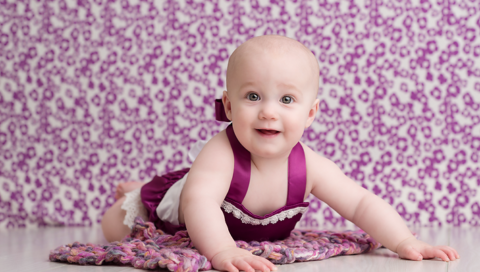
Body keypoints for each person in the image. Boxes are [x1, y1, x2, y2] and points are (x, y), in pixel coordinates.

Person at [102, 35, 459, 272]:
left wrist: (404, 240)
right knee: (114, 226)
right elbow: (200, 203)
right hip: (181, 204)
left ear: (310, 113)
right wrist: (222, 251)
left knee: (193, 181)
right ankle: (140, 190)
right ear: (228, 105)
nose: (269, 112)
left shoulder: (311, 166)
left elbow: (360, 203)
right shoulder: (221, 152)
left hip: (211, 193)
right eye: (253, 97)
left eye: (286, 100)